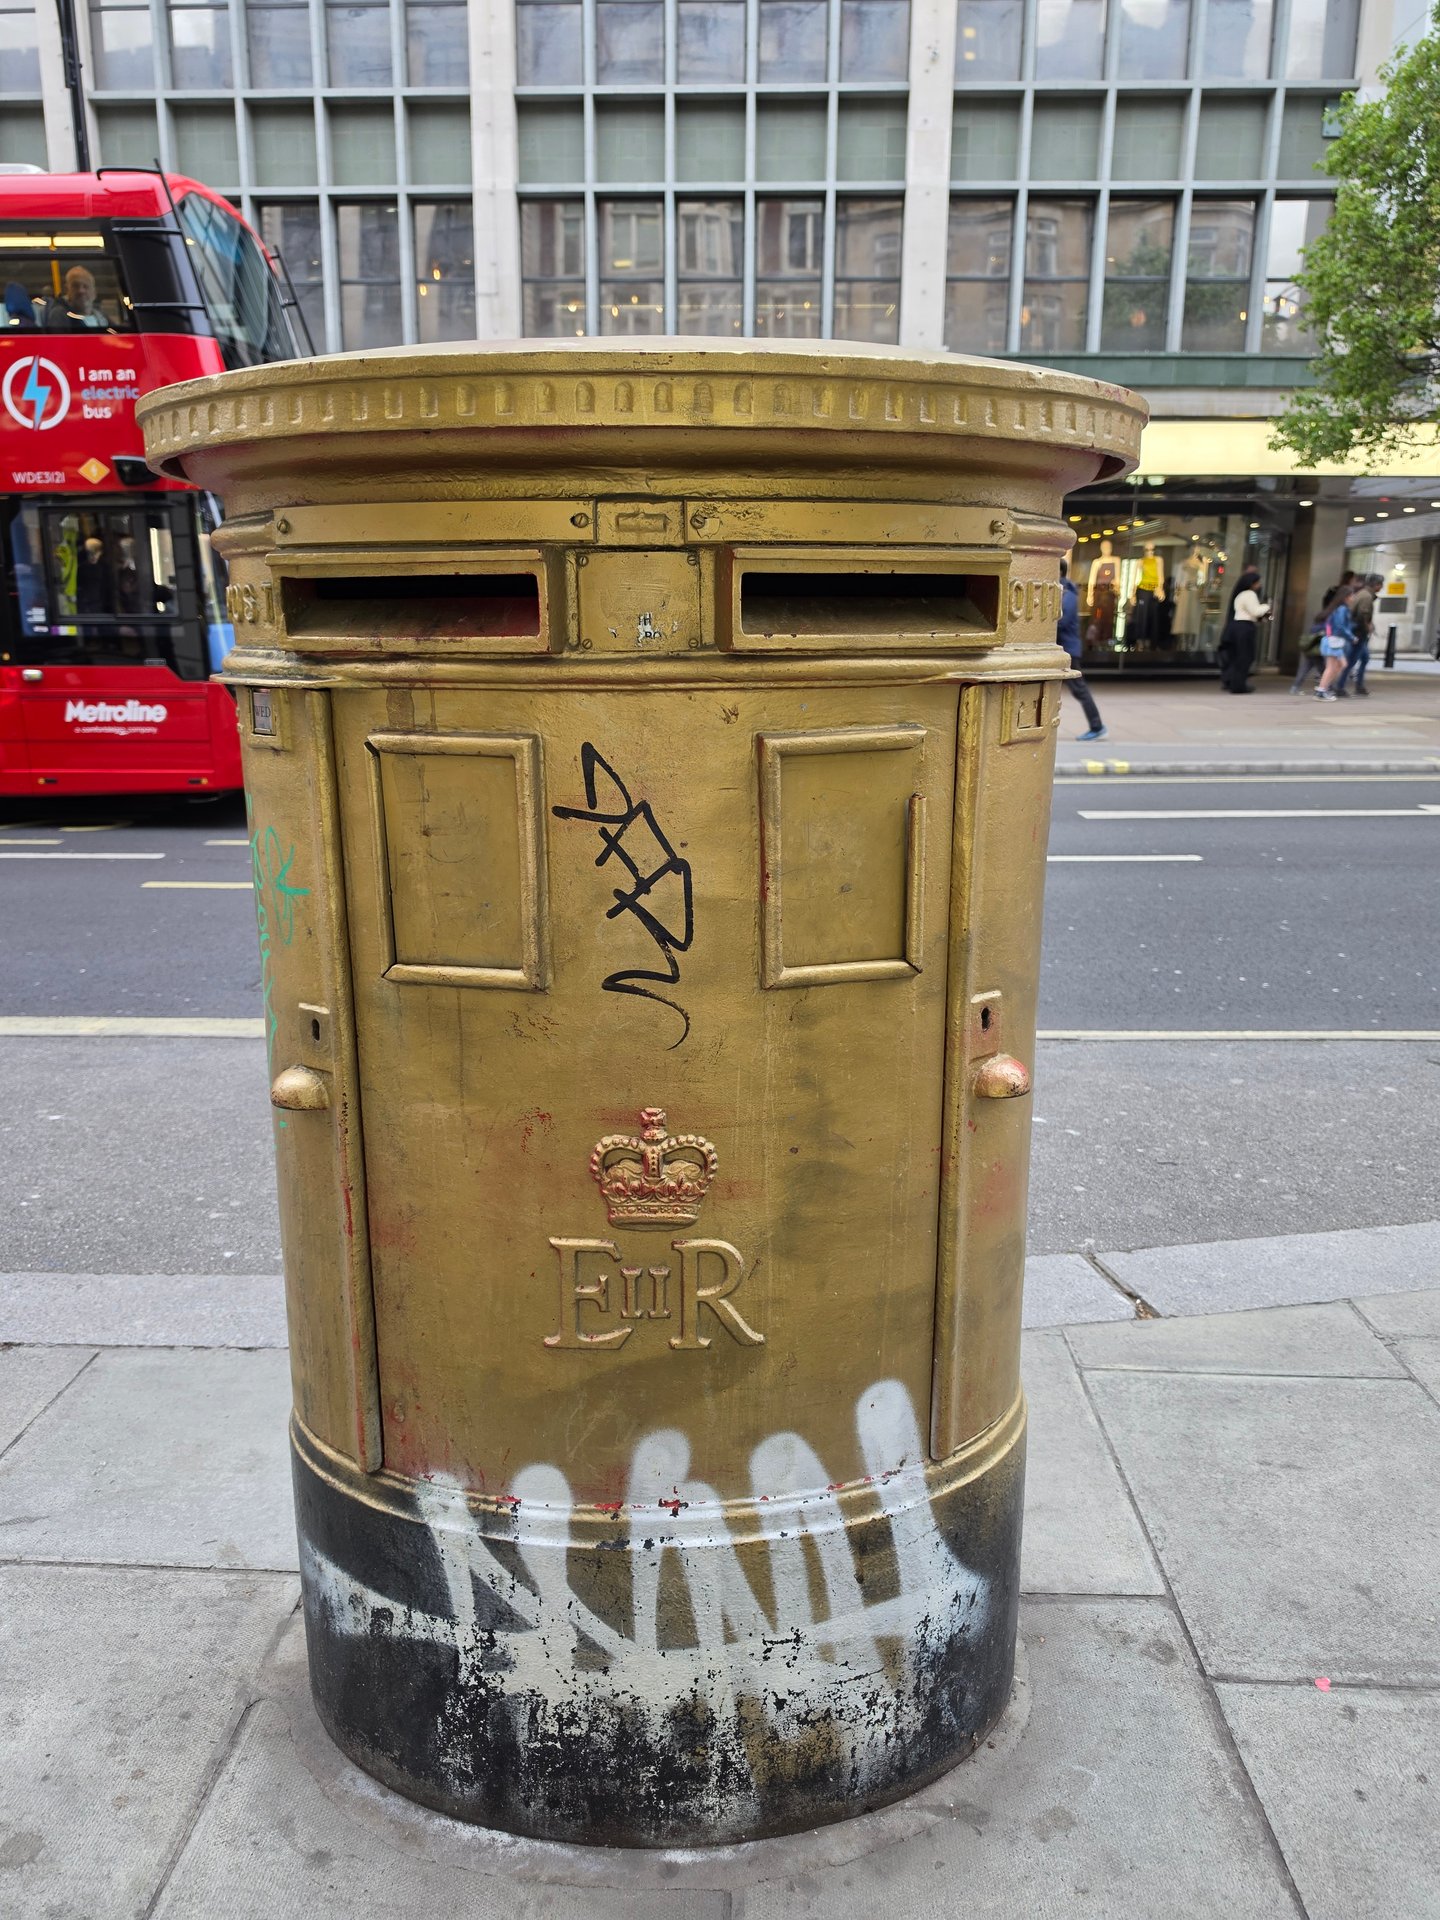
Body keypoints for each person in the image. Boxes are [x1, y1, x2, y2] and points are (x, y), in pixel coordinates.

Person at [1057, 559, 1105, 740]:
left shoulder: (1067, 594)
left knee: (1079, 689)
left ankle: (1097, 726)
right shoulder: (1062, 590)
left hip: (1068, 649)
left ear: (1058, 571)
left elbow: (1062, 621)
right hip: (1064, 648)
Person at [1218, 567, 1270, 692]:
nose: (1259, 585)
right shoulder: (1250, 594)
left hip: (1236, 626)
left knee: (1237, 656)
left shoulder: (1240, 594)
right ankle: (1238, 685)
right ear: (1251, 583)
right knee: (1245, 656)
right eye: (1257, 582)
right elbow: (1255, 611)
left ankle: (1232, 681)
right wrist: (1267, 606)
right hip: (1244, 627)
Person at [1336, 572, 1383, 696]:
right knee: (1351, 661)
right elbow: (1363, 614)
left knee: (1364, 658)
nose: (1381, 587)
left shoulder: (1362, 594)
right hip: (1358, 633)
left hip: (1357, 632)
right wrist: (1368, 626)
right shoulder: (1366, 596)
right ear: (1376, 585)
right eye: (1380, 584)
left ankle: (1359, 686)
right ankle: (1340, 687)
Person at [1315, 584, 1356, 700]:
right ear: (1346, 597)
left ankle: (1323, 688)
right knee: (1333, 667)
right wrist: (1351, 637)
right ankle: (1322, 690)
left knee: (1340, 665)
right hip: (1334, 641)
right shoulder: (1342, 609)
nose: (1353, 598)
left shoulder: (1338, 608)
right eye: (1352, 595)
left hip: (1333, 641)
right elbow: (1340, 626)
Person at [47, 266, 112, 330]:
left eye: (86, 286)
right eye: (75, 286)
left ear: (94, 293)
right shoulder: (59, 315)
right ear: (67, 290)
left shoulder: (102, 317)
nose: (81, 291)